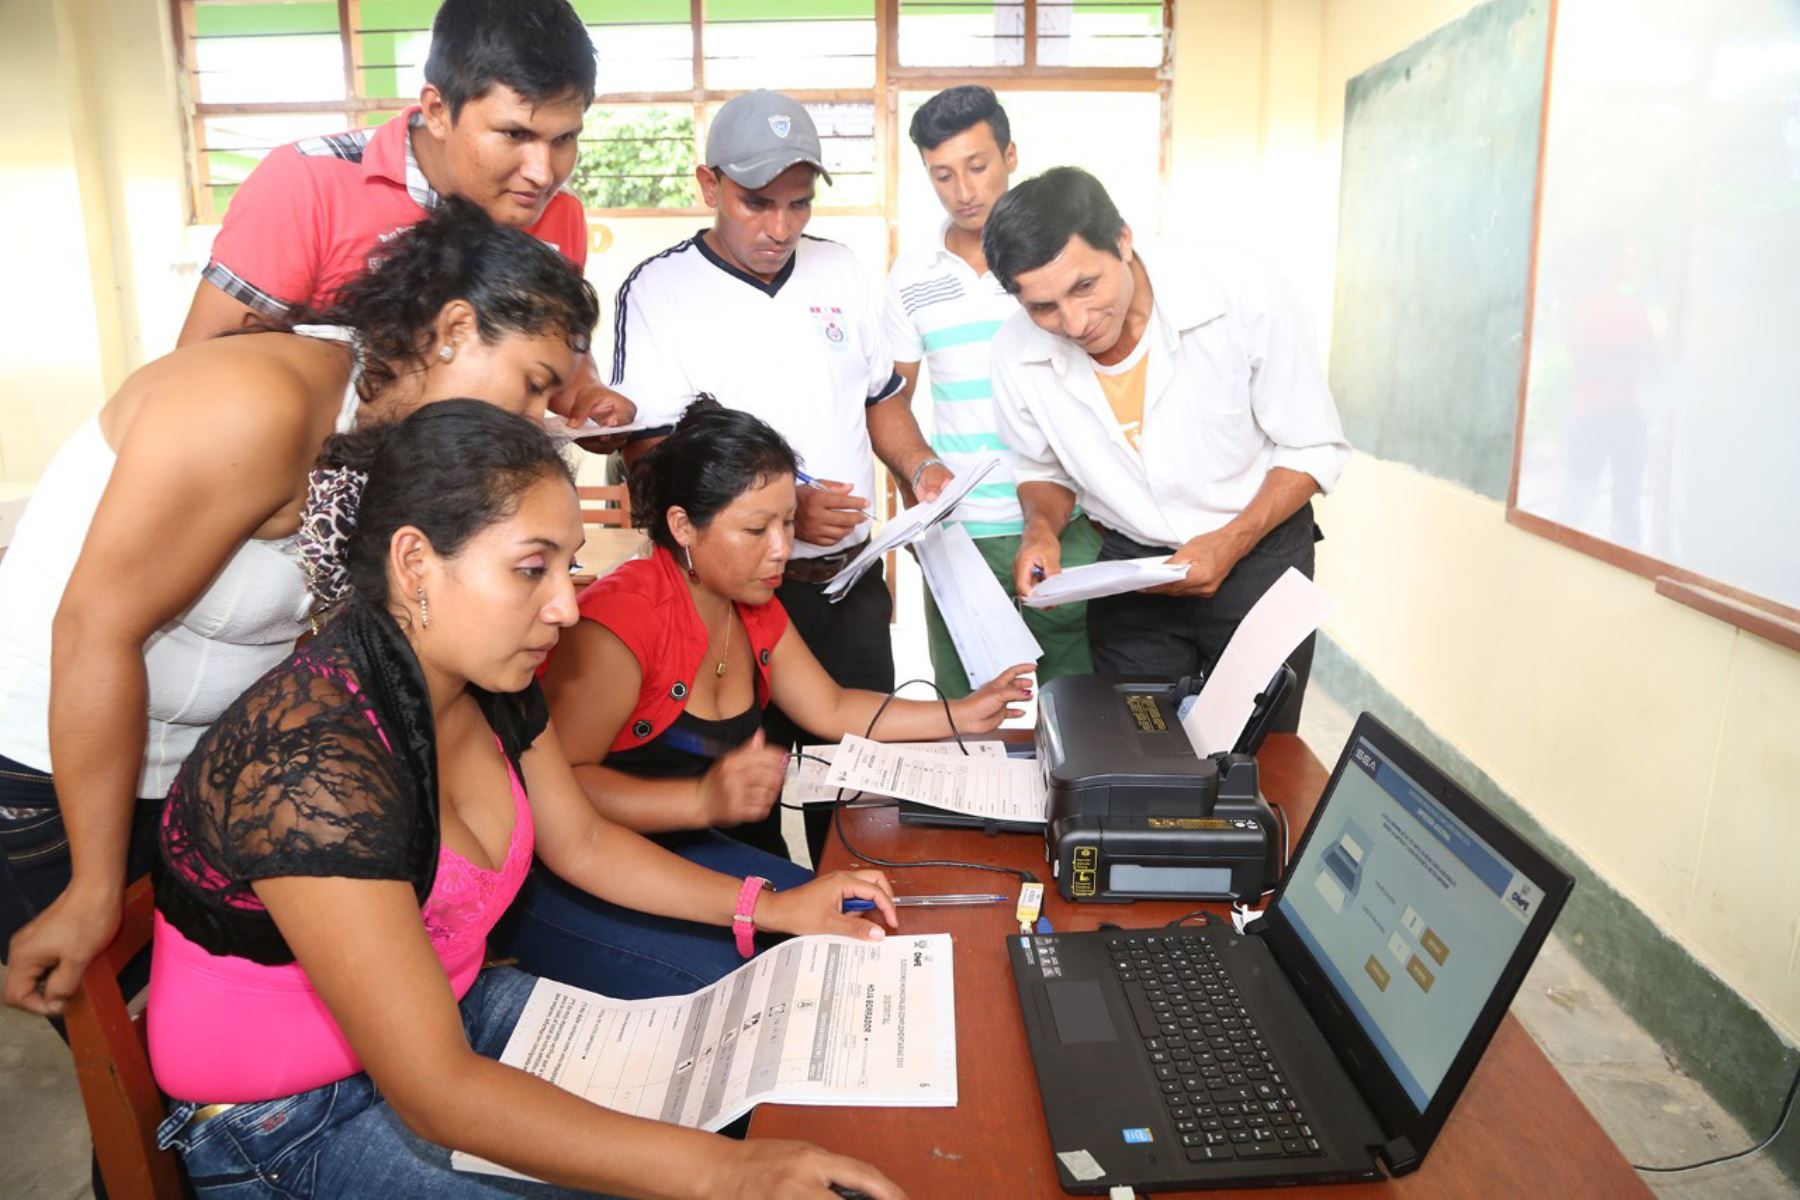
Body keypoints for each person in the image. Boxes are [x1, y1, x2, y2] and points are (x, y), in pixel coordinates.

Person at [149, 401, 906, 1199]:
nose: (567, 607)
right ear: (415, 565)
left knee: (757, 1054)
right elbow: (437, 1091)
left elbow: (580, 842)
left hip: (456, 1012)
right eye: (529, 568)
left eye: (568, 565)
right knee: (705, 1159)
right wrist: (729, 1175)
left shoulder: (489, 682)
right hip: (290, 1118)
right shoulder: (312, 763)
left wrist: (770, 905)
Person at [0, 199, 600, 1018]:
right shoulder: (256, 403)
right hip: (55, 775)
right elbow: (95, 629)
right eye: (532, 387)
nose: (532, 422)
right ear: (454, 328)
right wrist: (95, 885)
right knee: (162, 1082)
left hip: (187, 775)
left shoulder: (382, 436)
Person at [522, 401, 1032, 997]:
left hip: (690, 850)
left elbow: (833, 708)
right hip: (578, 874)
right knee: (765, 985)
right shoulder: (618, 627)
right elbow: (559, 789)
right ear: (684, 526)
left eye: (788, 524)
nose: (781, 550)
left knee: (860, 927)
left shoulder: (753, 604)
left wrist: (964, 712)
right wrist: (698, 799)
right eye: (756, 529)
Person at [613, 91, 907, 865]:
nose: (780, 228)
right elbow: (650, 458)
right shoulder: (660, 291)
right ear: (709, 187)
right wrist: (785, 514)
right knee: (740, 811)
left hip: (848, 587)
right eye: (755, 204)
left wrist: (923, 466)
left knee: (857, 802)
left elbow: (881, 403)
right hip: (730, 605)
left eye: (798, 204)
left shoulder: (840, 268)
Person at [983, 167, 1351, 732]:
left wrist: (1231, 541)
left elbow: (1312, 444)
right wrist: (1041, 529)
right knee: (1137, 753)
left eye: (1085, 287)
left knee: (1255, 758)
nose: (1074, 322)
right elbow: (1042, 466)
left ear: (1123, 242)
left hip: (1260, 558)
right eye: (1043, 308)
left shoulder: (1238, 292)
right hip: (1133, 576)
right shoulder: (1015, 353)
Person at [175, 0, 631, 436]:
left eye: (564, 138)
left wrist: (585, 392)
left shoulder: (558, 211)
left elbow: (547, 351)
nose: (543, 172)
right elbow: (200, 379)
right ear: (437, 110)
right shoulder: (306, 183)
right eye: (515, 133)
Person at [872, 85, 1102, 702]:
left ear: (1010, 155)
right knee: (966, 716)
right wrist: (919, 504)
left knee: (1076, 708)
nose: (964, 191)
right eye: (942, 174)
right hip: (960, 534)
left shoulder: (1057, 268)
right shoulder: (911, 277)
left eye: (978, 166)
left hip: (1068, 521)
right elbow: (890, 398)